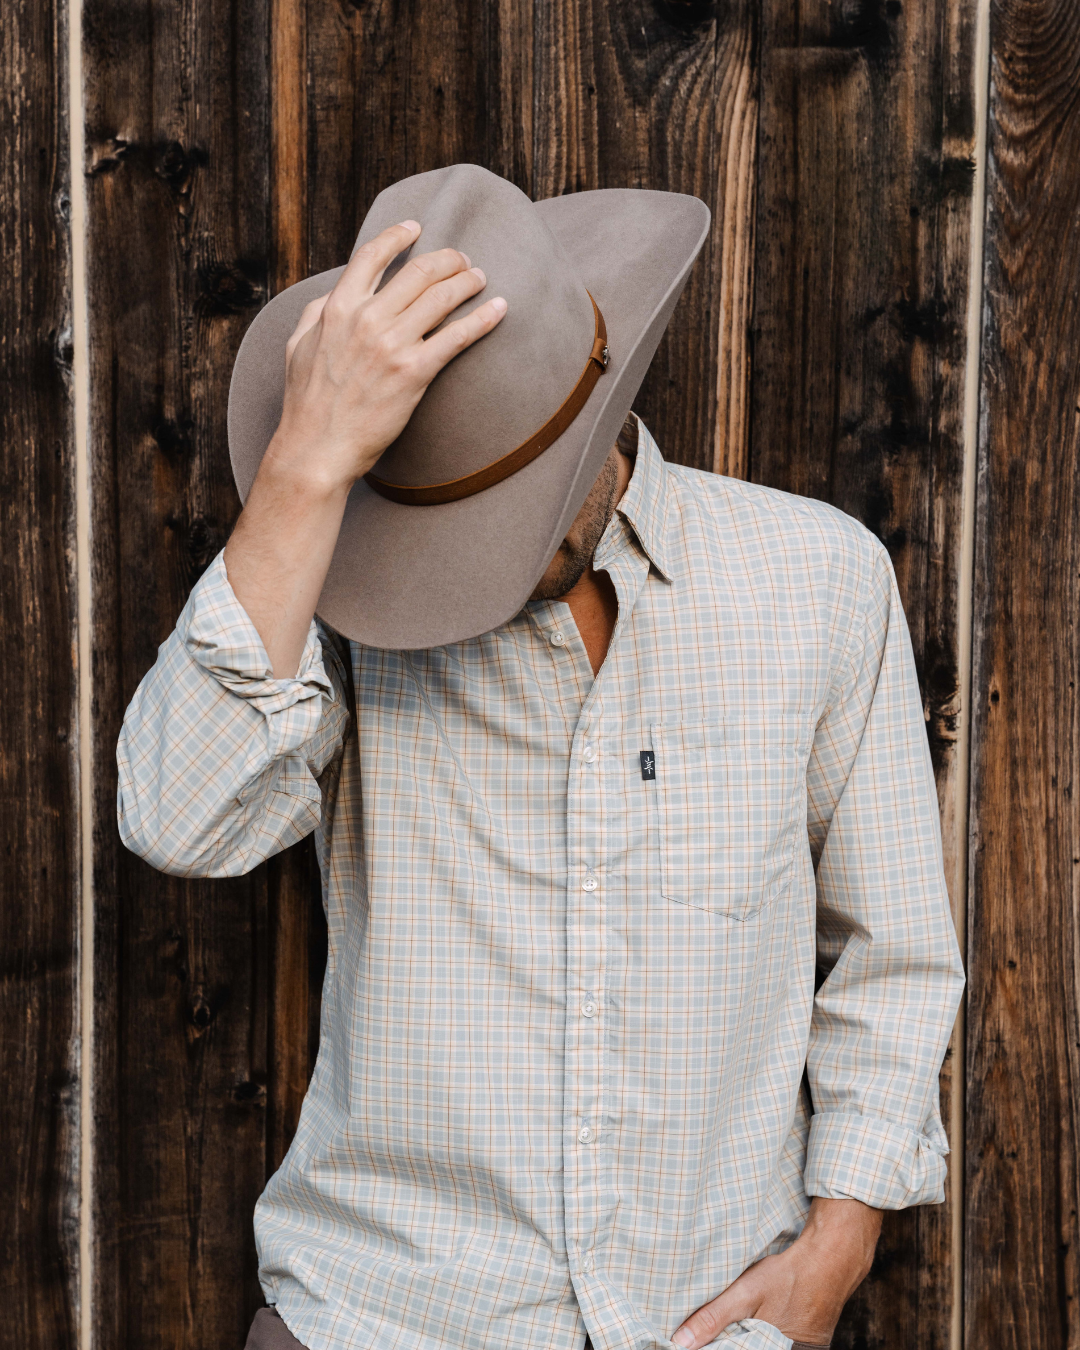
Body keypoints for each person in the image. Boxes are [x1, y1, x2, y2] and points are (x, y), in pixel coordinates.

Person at [117, 165, 965, 1350]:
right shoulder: (344, 602)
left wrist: (838, 1248)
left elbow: (894, 962)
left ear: (602, 404)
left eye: (520, 504)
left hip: (711, 1325)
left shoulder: (817, 580)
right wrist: (306, 470)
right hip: (382, 1320)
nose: (486, 559)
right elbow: (179, 816)